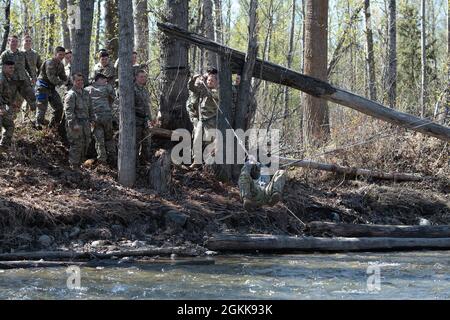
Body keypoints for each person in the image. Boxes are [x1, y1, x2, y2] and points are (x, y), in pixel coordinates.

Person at [186, 67, 219, 167]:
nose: (209, 82)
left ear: (216, 82)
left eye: (212, 81)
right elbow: (191, 87)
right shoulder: (203, 89)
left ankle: (208, 164)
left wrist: (210, 90)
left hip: (211, 120)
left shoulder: (217, 91)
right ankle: (196, 161)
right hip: (201, 119)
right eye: (208, 80)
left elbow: (215, 96)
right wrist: (194, 78)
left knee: (209, 142)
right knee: (196, 140)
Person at [0, 35, 37, 115]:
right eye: (12, 41)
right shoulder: (5, 55)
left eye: (16, 41)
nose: (14, 43)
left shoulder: (22, 54)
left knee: (33, 99)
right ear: (9, 42)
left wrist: (33, 77)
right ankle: (11, 122)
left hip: (23, 81)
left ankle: (36, 119)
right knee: (13, 105)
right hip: (11, 83)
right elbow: (1, 68)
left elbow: (28, 67)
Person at [64, 73, 94, 169]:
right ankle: (73, 166)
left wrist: (92, 119)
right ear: (73, 82)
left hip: (86, 123)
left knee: (86, 143)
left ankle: (80, 165)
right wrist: (73, 124)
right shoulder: (71, 95)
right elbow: (68, 111)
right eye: (78, 80)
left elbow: (90, 108)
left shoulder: (85, 93)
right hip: (76, 124)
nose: (80, 82)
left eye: (81, 80)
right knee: (76, 145)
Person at [85, 73, 116, 164]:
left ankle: (103, 160)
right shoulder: (108, 88)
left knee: (99, 140)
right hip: (106, 117)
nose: (105, 81)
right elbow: (113, 98)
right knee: (109, 138)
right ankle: (112, 158)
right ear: (98, 79)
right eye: (104, 80)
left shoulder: (87, 89)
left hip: (95, 118)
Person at [35, 46, 68, 129]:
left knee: (59, 107)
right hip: (42, 87)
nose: (62, 57)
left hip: (51, 89)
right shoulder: (49, 62)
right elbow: (51, 77)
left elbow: (63, 76)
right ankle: (38, 125)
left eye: (63, 55)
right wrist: (61, 83)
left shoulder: (61, 65)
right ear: (55, 54)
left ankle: (53, 127)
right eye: (60, 54)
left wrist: (70, 81)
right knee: (42, 107)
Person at [21, 35, 42, 120]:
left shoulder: (35, 54)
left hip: (33, 81)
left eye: (29, 41)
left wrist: (37, 78)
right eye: (26, 41)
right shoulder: (19, 53)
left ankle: (29, 120)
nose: (28, 42)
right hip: (20, 80)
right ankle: (19, 121)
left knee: (31, 100)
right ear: (23, 42)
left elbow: (40, 66)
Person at [134, 70, 153, 164]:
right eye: (141, 77)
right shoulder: (132, 89)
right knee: (136, 142)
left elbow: (148, 105)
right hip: (136, 120)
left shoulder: (145, 90)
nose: (143, 78)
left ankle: (144, 161)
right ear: (136, 77)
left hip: (145, 120)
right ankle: (135, 163)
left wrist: (150, 118)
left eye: (144, 77)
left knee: (147, 142)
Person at [0, 61, 19, 151]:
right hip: (1, 107)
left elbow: (7, 93)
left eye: (13, 67)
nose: (12, 69)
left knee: (10, 126)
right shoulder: (1, 78)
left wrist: (12, 102)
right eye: (10, 68)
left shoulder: (8, 78)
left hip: (4, 106)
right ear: (4, 67)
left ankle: (3, 147)